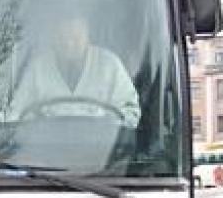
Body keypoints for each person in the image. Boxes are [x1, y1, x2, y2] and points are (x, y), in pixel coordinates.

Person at [9, 13, 141, 128]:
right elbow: (16, 114)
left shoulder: (110, 65)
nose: (68, 44)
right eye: (62, 38)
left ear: (87, 36)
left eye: (75, 37)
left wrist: (108, 128)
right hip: (45, 151)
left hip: (103, 152)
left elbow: (130, 113)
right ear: (53, 38)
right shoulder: (37, 68)